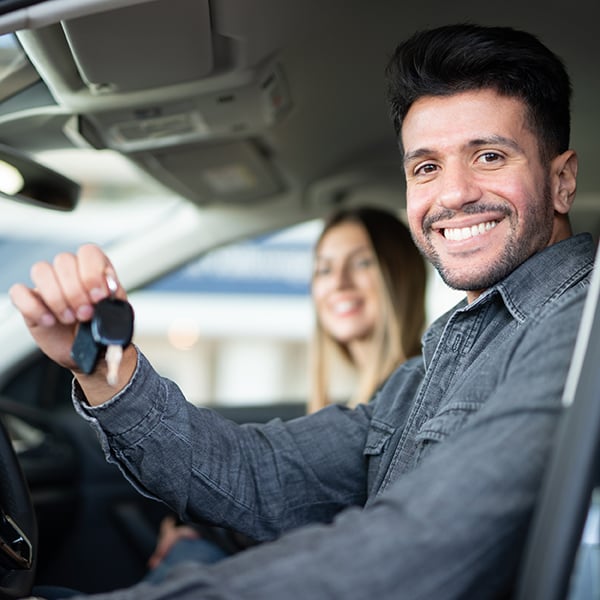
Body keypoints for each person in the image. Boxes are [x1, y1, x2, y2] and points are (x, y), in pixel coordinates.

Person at [10, 22, 595, 599]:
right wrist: (103, 368)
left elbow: (412, 554)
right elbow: (260, 476)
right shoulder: (441, 360)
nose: (452, 194)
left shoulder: (579, 331)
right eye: (426, 167)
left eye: (489, 156)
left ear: (561, 180)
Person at [145, 205, 428, 582]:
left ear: (401, 275)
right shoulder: (358, 401)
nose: (339, 283)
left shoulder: (408, 400)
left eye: (361, 264)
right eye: (324, 269)